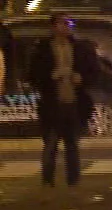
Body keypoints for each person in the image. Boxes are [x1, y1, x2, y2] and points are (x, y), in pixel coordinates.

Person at [25, 14, 101, 188]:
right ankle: (47, 180)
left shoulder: (80, 48)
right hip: (52, 103)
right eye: (62, 23)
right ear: (53, 26)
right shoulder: (43, 49)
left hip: (74, 102)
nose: (66, 27)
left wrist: (81, 78)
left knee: (72, 144)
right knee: (51, 144)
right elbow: (33, 75)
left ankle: (73, 180)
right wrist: (50, 76)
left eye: (69, 23)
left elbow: (94, 72)